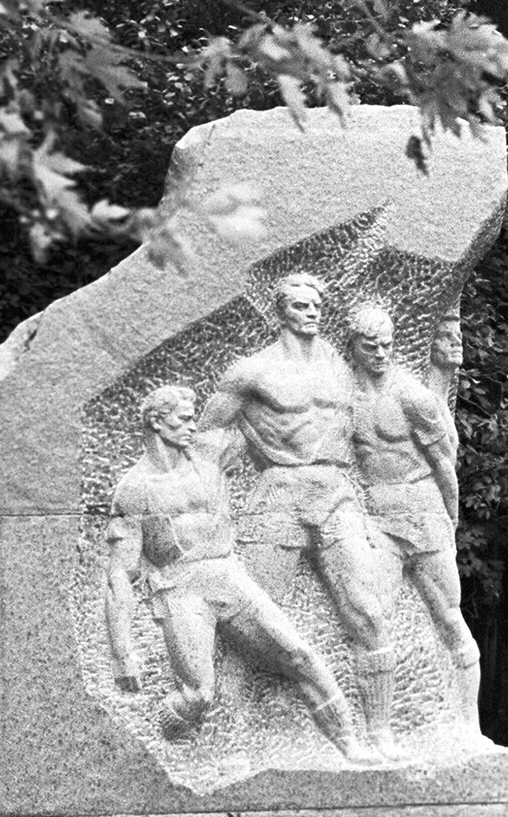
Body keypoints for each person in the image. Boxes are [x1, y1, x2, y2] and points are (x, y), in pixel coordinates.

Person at [104, 383, 374, 763]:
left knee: (299, 654)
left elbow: (268, 423)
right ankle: (166, 752)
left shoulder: (210, 454)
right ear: (156, 423)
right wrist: (120, 652)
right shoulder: (134, 490)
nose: (192, 427)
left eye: (193, 418)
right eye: (183, 420)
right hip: (180, 589)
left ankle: (349, 743)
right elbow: (120, 576)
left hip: (228, 577)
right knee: (198, 694)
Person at [198, 272, 401, 756]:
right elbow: (207, 439)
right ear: (280, 312)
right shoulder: (250, 372)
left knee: (368, 611)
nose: (312, 313)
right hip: (279, 492)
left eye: (316, 305)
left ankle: (381, 733)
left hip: (334, 492)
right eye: (301, 306)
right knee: (248, 622)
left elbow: (382, 394)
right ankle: (225, 729)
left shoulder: (338, 363)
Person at [347, 300, 482, 737]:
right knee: (370, 619)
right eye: (372, 347)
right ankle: (378, 733)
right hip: (379, 523)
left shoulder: (413, 396)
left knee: (448, 616)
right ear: (354, 347)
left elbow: (445, 462)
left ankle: (469, 725)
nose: (382, 354)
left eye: (387, 345)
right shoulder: (344, 396)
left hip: (423, 515)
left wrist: (452, 519)